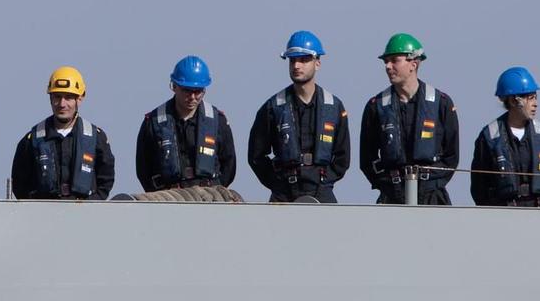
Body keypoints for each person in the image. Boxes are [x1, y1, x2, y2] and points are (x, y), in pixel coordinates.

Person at [247, 30, 350, 202]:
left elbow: (343, 156)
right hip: (284, 192)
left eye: (303, 60)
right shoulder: (272, 107)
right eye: (293, 60)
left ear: (317, 63)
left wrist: (326, 179)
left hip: (321, 190)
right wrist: (276, 183)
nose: (296, 66)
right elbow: (256, 156)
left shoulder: (334, 107)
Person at [359, 33, 461, 204]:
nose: (388, 66)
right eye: (386, 62)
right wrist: (385, 183)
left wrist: (431, 183)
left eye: (394, 60)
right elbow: (367, 158)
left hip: (432, 197)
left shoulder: (441, 104)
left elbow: (451, 155)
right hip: (391, 196)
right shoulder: (375, 107)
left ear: (413, 63)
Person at [11, 66, 116, 200]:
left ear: (80, 98)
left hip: (84, 214)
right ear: (50, 98)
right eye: (57, 97)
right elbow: (20, 184)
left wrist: (92, 204)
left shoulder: (96, 138)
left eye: (68, 98)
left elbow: (106, 180)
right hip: (43, 214)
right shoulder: (32, 139)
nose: (62, 104)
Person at [135, 56, 237, 192]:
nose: (193, 97)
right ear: (174, 87)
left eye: (198, 91)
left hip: (208, 197)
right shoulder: (153, 122)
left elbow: (229, 164)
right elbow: (143, 167)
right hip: (167, 198)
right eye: (187, 91)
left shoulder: (218, 121)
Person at [469, 67, 540, 207]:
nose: (535, 104)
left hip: (539, 211)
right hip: (503, 214)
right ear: (514, 101)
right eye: (530, 98)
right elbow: (479, 186)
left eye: (536, 97)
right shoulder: (489, 136)